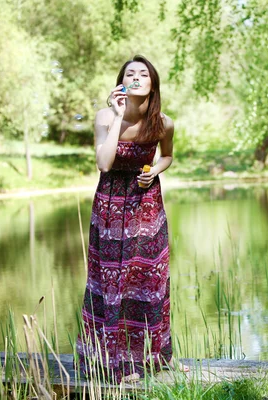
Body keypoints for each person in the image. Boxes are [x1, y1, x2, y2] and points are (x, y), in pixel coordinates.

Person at [76, 55, 188, 383]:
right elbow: (104, 163)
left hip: (146, 205)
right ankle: (116, 363)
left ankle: (156, 357)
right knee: (113, 282)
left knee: (147, 280)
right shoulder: (103, 117)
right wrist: (117, 116)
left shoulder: (164, 123)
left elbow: (167, 155)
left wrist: (155, 170)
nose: (137, 77)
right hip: (110, 206)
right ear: (121, 82)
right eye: (130, 74)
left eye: (143, 74)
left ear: (153, 83)